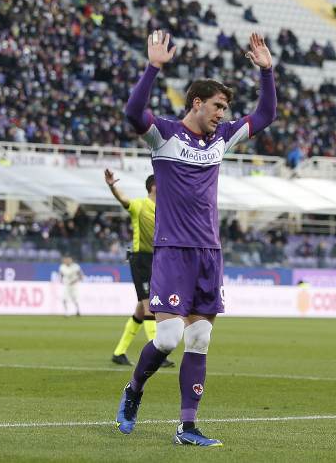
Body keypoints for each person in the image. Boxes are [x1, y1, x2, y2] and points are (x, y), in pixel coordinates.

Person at [116, 30, 276, 446]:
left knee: (201, 338)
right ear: (196, 103)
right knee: (167, 337)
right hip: (171, 252)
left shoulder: (221, 140)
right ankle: (134, 390)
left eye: (226, 107)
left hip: (209, 253)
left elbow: (265, 116)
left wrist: (268, 73)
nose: (223, 113)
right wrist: (153, 68)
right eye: (217, 106)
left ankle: (187, 426)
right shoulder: (164, 134)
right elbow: (133, 114)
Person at [105, 169, 175, 369]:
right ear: (154, 186)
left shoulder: (164, 209)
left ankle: (119, 352)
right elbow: (123, 199)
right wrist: (112, 185)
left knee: (141, 309)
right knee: (150, 306)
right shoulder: (139, 205)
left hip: (158, 259)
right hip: (141, 260)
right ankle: (158, 354)